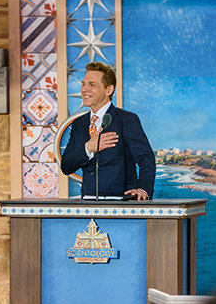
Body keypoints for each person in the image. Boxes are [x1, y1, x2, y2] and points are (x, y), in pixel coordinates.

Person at [60, 62, 156, 200]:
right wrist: (88, 148)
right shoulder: (79, 124)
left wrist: (143, 189)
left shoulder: (126, 120)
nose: (84, 89)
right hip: (87, 203)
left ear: (108, 90)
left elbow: (146, 158)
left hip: (121, 203)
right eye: (83, 84)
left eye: (92, 85)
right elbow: (66, 166)